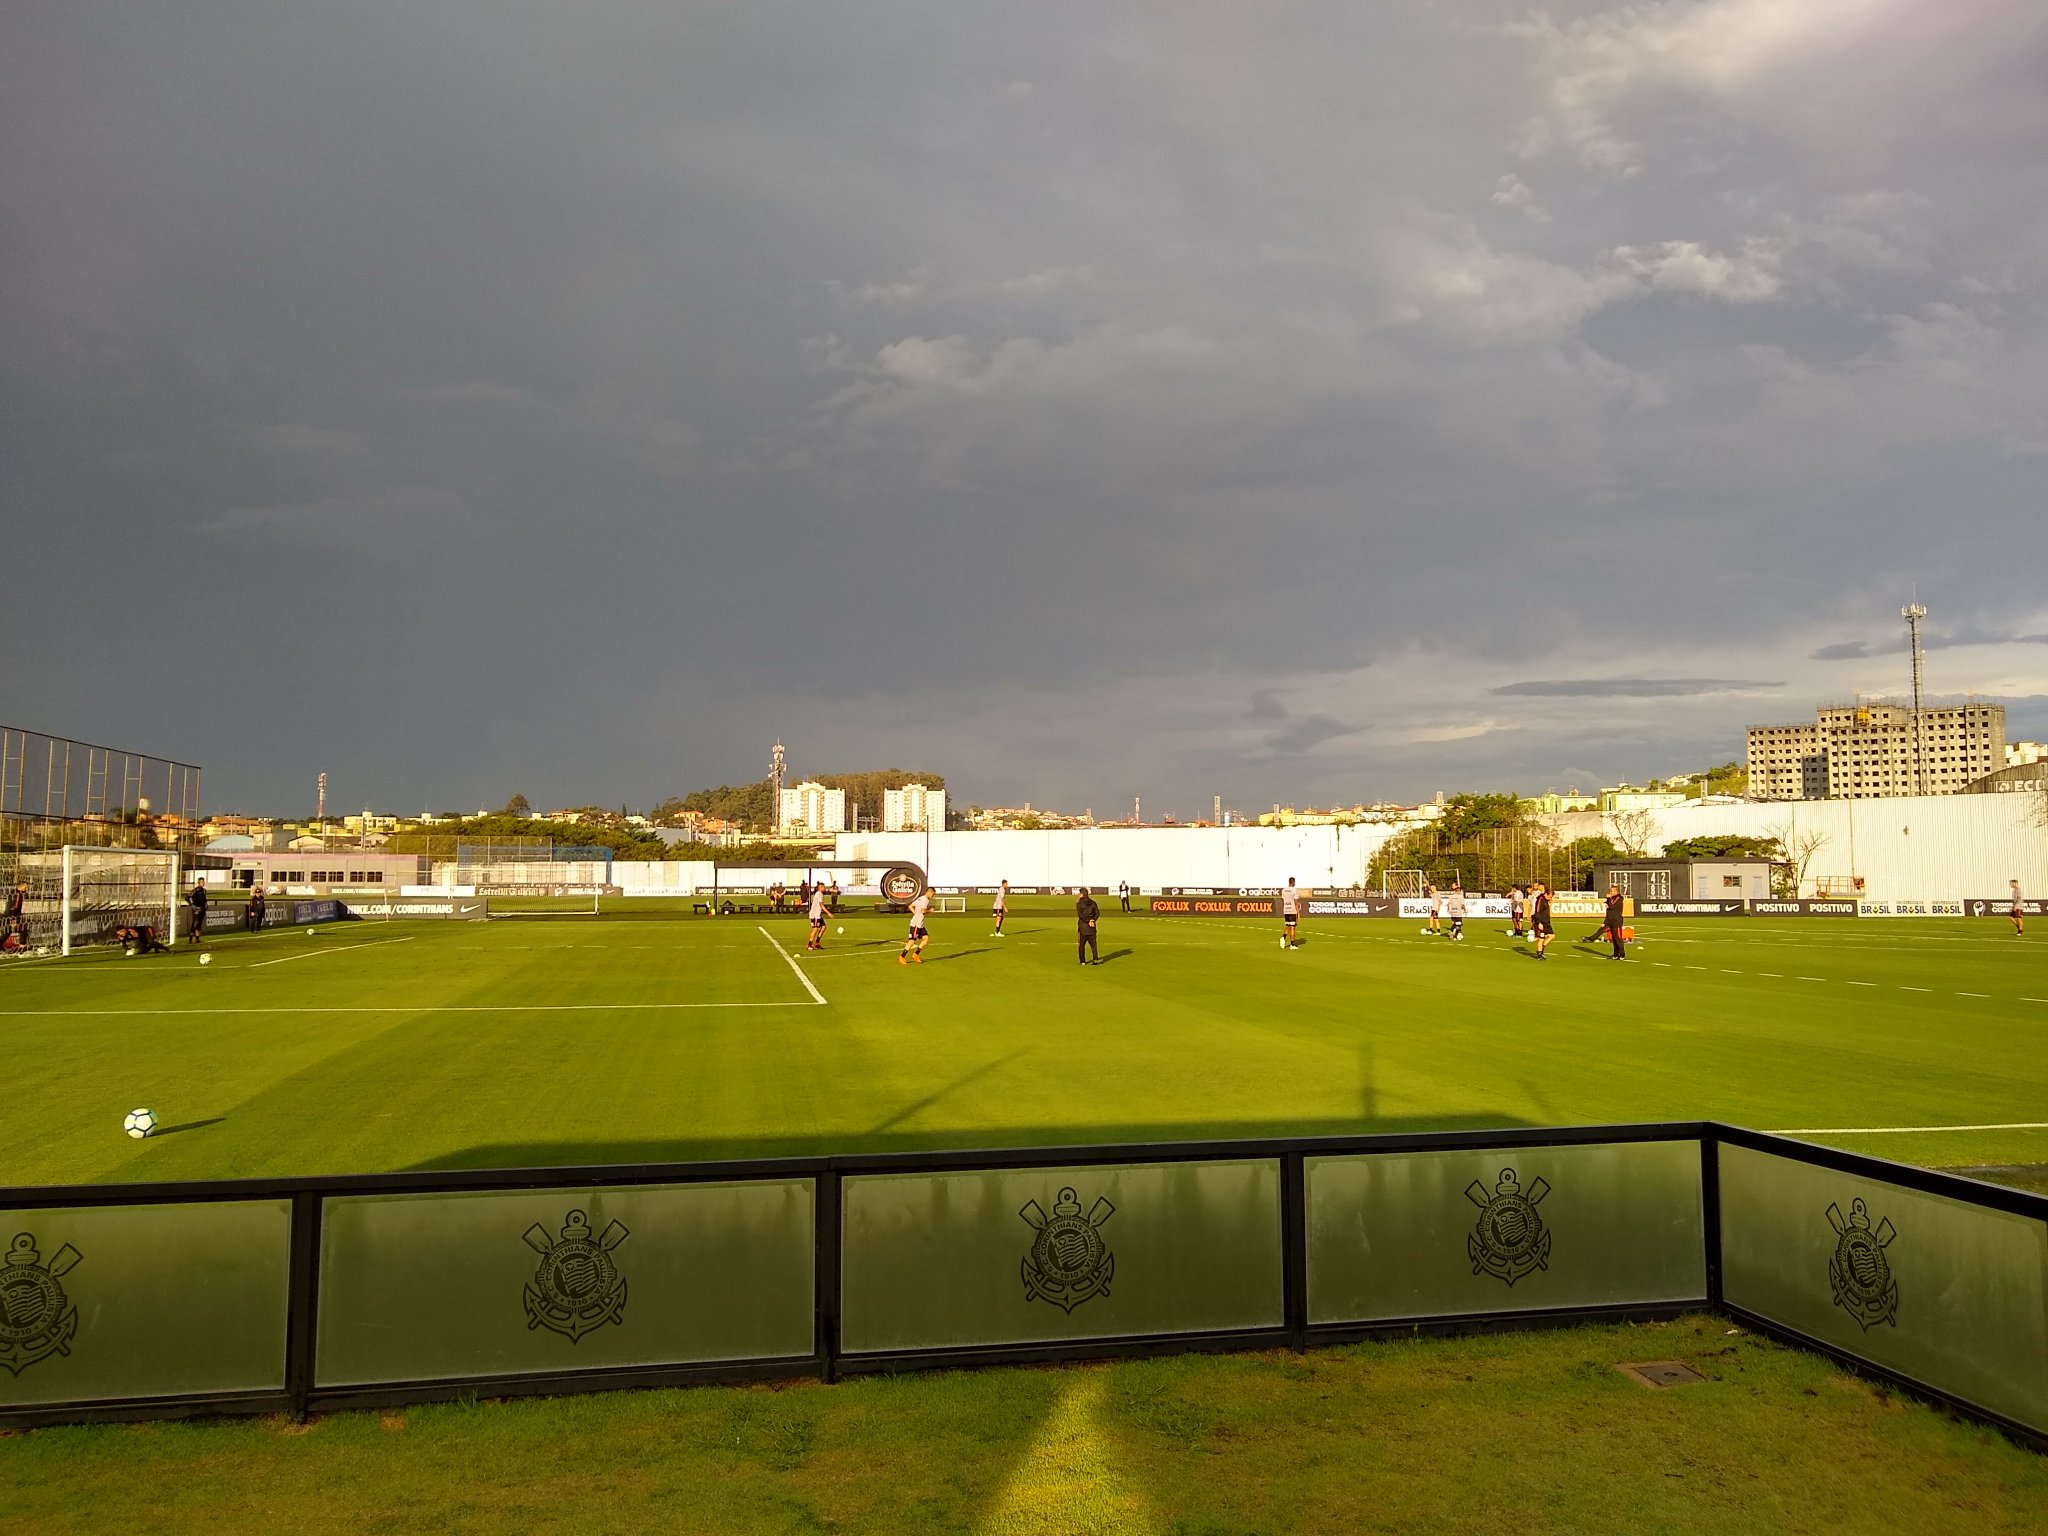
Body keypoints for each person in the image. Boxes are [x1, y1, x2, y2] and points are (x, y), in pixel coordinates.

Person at [897, 886, 933, 965]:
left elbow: (910, 906)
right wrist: (930, 910)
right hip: (916, 924)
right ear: (929, 892)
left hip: (920, 924)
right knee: (912, 941)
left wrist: (915, 913)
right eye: (932, 895)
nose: (932, 897)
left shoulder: (920, 898)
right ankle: (902, 957)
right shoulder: (925, 900)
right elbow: (923, 911)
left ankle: (915, 954)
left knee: (926, 938)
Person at [1076, 885, 1101, 965]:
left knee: (1081, 946)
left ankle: (1082, 961)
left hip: (1083, 927)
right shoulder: (1093, 903)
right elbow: (1097, 913)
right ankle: (1095, 959)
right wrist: (1092, 920)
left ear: (1082, 894)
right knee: (1093, 945)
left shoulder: (1079, 904)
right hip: (1092, 927)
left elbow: (1080, 915)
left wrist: (1087, 921)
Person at [1529, 882, 1554, 960]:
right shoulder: (1540, 899)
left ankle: (1542, 949)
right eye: (1550, 897)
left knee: (1551, 936)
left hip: (1546, 922)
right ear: (1546, 894)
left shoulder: (1545, 900)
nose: (1550, 899)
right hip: (1541, 922)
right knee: (1541, 938)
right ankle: (1539, 954)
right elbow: (1537, 911)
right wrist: (1539, 922)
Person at [1604, 884, 1628, 960]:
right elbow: (1608, 910)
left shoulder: (1619, 898)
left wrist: (1608, 899)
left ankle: (1622, 954)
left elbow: (1612, 906)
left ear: (1615, 891)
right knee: (1613, 939)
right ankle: (1615, 954)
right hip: (1611, 921)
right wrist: (1606, 921)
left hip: (1616, 921)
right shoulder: (1611, 899)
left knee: (1618, 938)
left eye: (1611, 891)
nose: (1610, 892)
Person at [1280, 877, 1302, 949]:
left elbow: (1283, 901)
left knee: (1288, 926)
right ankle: (1292, 945)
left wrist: (1285, 909)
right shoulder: (1294, 890)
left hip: (1286, 910)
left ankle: (1283, 938)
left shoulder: (1284, 890)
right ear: (1294, 882)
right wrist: (1298, 913)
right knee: (1292, 927)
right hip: (1292, 910)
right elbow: (1296, 902)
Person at [806, 881, 828, 950]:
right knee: (815, 929)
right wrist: (828, 912)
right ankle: (809, 944)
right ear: (820, 887)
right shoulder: (818, 894)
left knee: (823, 927)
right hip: (815, 915)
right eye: (824, 887)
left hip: (818, 915)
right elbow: (821, 905)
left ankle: (817, 943)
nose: (825, 888)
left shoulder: (820, 894)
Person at [186, 879, 208, 944]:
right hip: (197, 910)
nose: (203, 883)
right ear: (198, 883)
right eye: (202, 882)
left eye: (204, 881)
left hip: (202, 909)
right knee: (195, 923)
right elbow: (187, 898)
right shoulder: (195, 890)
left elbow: (204, 899)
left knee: (199, 924)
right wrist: (193, 906)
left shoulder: (204, 890)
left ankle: (197, 938)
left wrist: (206, 904)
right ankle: (190, 938)